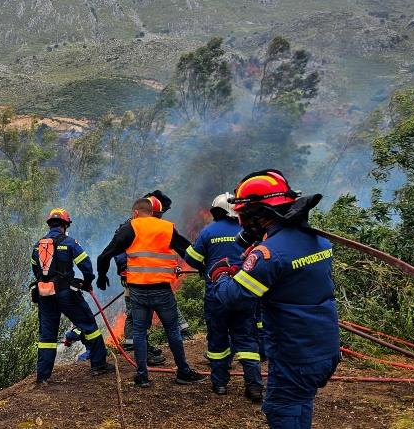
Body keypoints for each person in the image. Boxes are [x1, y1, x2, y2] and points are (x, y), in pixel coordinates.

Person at [208, 170, 340, 429]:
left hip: (295, 354)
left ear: (259, 215)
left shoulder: (268, 254)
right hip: (324, 348)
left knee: (282, 410)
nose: (242, 222)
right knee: (301, 402)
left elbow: (232, 299)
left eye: (244, 215)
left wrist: (222, 275)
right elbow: (291, 280)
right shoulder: (317, 240)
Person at [97, 197, 206, 387]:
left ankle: (142, 376)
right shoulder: (167, 228)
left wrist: (101, 275)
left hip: (138, 291)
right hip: (162, 290)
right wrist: (203, 267)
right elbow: (188, 251)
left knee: (139, 332)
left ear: (136, 212)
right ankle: (183, 372)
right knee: (172, 330)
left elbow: (105, 255)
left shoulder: (130, 227)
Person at [184, 192, 264, 402]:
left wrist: (206, 265)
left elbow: (191, 259)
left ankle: (219, 384)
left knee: (218, 339)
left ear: (216, 211)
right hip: (245, 291)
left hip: (216, 294)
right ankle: (254, 386)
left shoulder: (209, 231)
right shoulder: (248, 231)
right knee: (247, 339)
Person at [31, 208, 115, 385]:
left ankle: (43, 377)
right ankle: (99, 365)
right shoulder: (69, 242)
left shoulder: (37, 245)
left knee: (47, 337)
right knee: (89, 325)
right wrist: (87, 282)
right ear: (64, 225)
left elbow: (36, 271)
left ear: (50, 225)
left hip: (45, 295)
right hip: (66, 294)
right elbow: (85, 264)